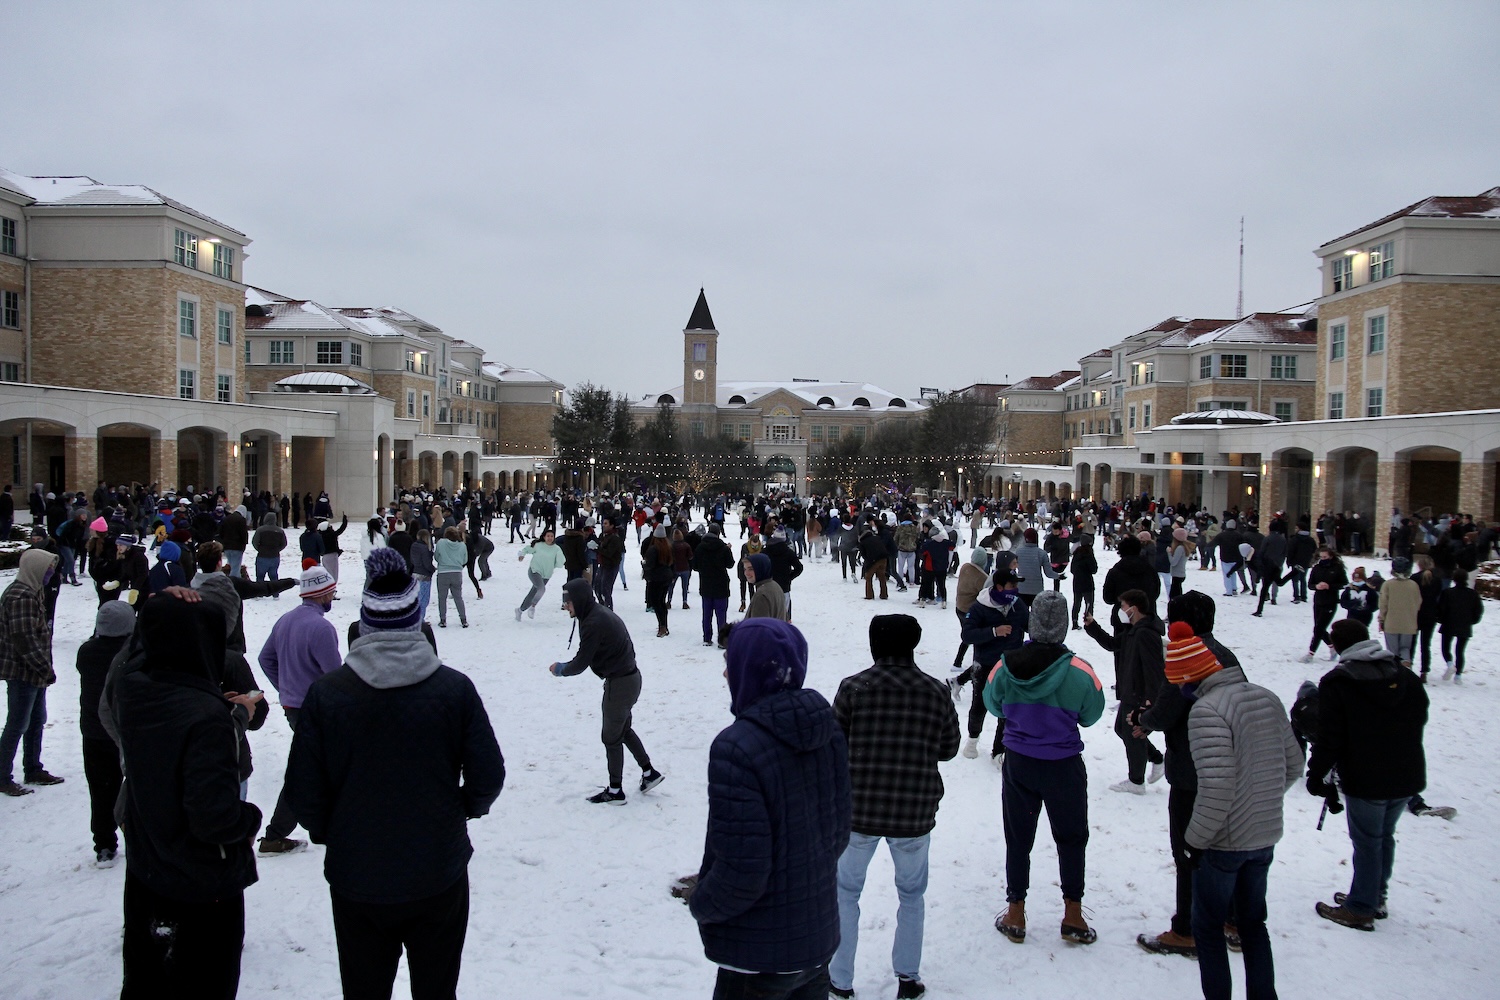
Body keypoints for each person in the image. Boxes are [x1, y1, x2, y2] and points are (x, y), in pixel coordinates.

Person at [285, 548, 505, 999]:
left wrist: (335, 830)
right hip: (435, 872)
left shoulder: (328, 695)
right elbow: (488, 776)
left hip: (358, 876)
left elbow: (304, 790)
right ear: (415, 623)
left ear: (365, 625)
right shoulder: (452, 690)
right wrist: (459, 811)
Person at [683, 618, 851, 1000]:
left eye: (732, 659)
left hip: (757, 956)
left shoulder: (736, 747)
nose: (726, 671)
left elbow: (741, 872)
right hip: (815, 941)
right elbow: (838, 835)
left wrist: (701, 902)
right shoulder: (828, 729)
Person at [110, 594, 263, 998]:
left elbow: (137, 656)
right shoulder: (205, 718)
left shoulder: (135, 689)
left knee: (147, 982)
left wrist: (158, 605)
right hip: (202, 887)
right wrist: (250, 819)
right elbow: (213, 817)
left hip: (148, 869)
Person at [829, 615, 960, 1000]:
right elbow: (949, 748)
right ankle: (907, 977)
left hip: (858, 811)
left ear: (875, 645)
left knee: (845, 892)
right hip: (914, 811)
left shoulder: (854, 688)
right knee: (911, 895)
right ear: (913, 645)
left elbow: (834, 745)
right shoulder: (935, 691)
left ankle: (840, 980)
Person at [1179, 619, 1304, 1000]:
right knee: (1253, 925)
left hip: (1223, 842)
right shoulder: (1266, 696)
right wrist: (1259, 802)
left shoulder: (1206, 712)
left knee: (1209, 928)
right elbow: (1294, 765)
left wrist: (1192, 843)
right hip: (1263, 837)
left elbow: (1217, 787)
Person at [984, 590, 1105, 946]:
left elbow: (994, 706)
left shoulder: (1005, 665)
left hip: (1020, 763)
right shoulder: (1080, 671)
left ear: (1032, 622)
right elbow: (1092, 714)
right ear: (1064, 626)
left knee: (1018, 837)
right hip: (1064, 765)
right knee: (1071, 837)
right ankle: (1073, 912)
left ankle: (1016, 910)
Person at [1134, 591, 1240, 959]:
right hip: (1231, 766)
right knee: (1225, 844)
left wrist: (1143, 721)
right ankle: (1232, 917)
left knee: (1189, 850)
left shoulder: (1185, 655)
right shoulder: (1226, 655)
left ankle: (1188, 929)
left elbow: (1167, 711)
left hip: (1194, 769)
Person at [1307, 619, 1428, 931]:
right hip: (1406, 771)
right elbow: (1421, 711)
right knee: (1382, 837)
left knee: (1367, 841)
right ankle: (1374, 894)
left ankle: (1361, 907)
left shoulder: (1339, 681)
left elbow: (1329, 735)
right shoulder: (1402, 673)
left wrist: (1316, 773)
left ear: (1338, 645)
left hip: (1367, 775)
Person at [548, 577, 662, 804]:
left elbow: (581, 662)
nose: (565, 606)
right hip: (630, 678)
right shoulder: (596, 612)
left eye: (567, 602)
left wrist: (561, 669)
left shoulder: (593, 622)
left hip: (620, 684)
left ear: (578, 600)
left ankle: (615, 790)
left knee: (611, 737)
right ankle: (649, 773)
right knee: (623, 729)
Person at [256, 565, 341, 854]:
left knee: (316, 768)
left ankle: (289, 830)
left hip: (293, 707)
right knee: (309, 771)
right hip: (317, 711)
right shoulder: (321, 628)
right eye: (331, 591)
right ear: (321, 594)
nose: (334, 595)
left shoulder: (286, 620)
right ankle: (276, 834)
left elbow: (265, 658)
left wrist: (285, 687)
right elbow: (335, 677)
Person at [1084, 588, 1165, 793]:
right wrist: (1093, 627)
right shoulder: (1133, 630)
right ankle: (1157, 759)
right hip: (1129, 690)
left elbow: (1154, 670)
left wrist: (1149, 701)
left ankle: (1136, 781)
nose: (1120, 609)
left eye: (1123, 606)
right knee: (1123, 729)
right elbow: (1112, 644)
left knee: (1132, 734)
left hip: (1138, 694)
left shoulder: (1146, 634)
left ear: (1134, 609)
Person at [76, 601, 136, 862]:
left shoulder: (87, 651)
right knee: (135, 786)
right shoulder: (132, 653)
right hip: (126, 731)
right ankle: (137, 836)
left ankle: (103, 843)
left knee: (100, 790)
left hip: (94, 731)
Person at [0, 549, 63, 797]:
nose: (51, 573)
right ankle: (3, 776)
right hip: (23, 671)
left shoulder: (32, 590)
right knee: (17, 724)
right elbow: (23, 639)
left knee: (36, 720)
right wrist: (44, 668)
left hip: (35, 671)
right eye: (48, 568)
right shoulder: (21, 596)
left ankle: (33, 768)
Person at [959, 565, 1027, 761]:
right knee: (980, 705)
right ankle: (972, 739)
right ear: (998, 587)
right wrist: (993, 632)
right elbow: (967, 634)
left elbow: (1030, 625)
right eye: (1011, 585)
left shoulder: (1017, 604)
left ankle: (999, 750)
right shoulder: (980, 607)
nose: (1015, 589)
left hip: (1010, 665)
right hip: (985, 664)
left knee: (1007, 709)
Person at [1300, 546, 1348, 663]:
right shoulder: (1316, 568)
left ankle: (1311, 653)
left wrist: (1329, 586)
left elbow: (1344, 583)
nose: (1323, 559)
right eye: (1321, 557)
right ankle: (1332, 647)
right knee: (1319, 628)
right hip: (1318, 601)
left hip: (1330, 601)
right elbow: (1310, 584)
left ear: (1331, 556)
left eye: (1325, 557)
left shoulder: (1337, 568)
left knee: (1319, 628)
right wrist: (1316, 586)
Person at [1435, 569, 1484, 682]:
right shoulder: (1473, 594)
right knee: (1460, 651)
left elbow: (1441, 608)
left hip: (1449, 623)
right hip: (1465, 625)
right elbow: (1478, 610)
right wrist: (1472, 621)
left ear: (1454, 579)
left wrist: (1440, 619)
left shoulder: (1447, 593)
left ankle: (1450, 663)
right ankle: (1458, 675)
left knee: (1445, 647)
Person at [693, 523, 736, 647]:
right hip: (721, 583)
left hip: (706, 583)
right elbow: (730, 564)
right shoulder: (723, 547)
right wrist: (728, 550)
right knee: (721, 613)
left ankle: (707, 638)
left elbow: (695, 566)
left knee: (707, 613)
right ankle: (722, 641)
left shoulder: (700, 547)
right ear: (718, 533)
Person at [1378, 556, 1421, 669]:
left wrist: (1381, 619)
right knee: (1405, 648)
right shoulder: (1413, 585)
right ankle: (1406, 663)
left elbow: (1383, 604)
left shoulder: (1387, 585)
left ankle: (1395, 670)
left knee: (1392, 651)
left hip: (1391, 623)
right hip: (1409, 623)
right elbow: (1418, 602)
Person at [434, 526, 469, 628]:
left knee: (442, 598)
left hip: (443, 572)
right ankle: (463, 619)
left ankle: (443, 619)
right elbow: (464, 560)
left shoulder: (441, 543)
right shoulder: (462, 545)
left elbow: (436, 556)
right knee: (458, 597)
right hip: (457, 572)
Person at [744, 552, 787, 621]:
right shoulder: (774, 586)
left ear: (761, 568)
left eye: (751, 569)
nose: (746, 573)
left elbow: (759, 628)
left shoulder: (762, 595)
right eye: (745, 569)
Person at [1069, 535, 1097, 630]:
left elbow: (1072, 569)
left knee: (1077, 603)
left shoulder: (1076, 554)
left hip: (1077, 581)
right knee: (1089, 603)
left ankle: (1074, 621)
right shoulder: (1089, 554)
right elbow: (1094, 569)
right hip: (1087, 582)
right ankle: (1088, 622)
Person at [251, 511, 287, 585]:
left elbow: (255, 542)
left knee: (260, 576)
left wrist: (260, 549)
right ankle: (275, 593)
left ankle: (260, 592)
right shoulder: (280, 531)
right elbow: (284, 543)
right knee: (274, 576)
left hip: (262, 556)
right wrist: (277, 550)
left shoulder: (260, 530)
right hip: (275, 556)